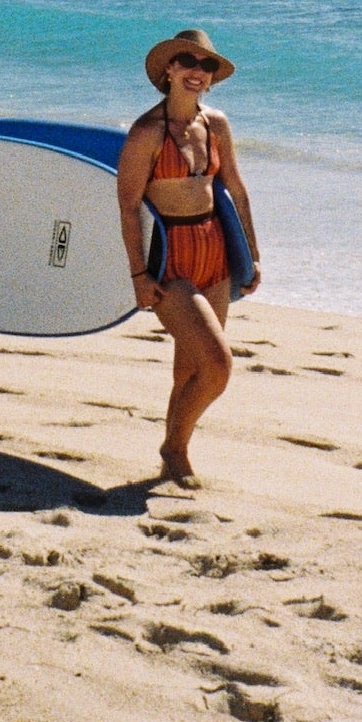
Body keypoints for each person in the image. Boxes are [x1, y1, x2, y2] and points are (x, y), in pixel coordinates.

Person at [116, 28, 261, 487]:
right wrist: (138, 274)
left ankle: (173, 457)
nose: (198, 72)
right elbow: (127, 206)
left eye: (207, 65)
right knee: (218, 366)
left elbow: (236, 189)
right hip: (171, 260)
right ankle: (174, 448)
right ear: (169, 69)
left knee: (190, 368)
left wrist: (252, 255)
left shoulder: (216, 125)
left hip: (215, 254)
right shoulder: (147, 132)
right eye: (188, 62)